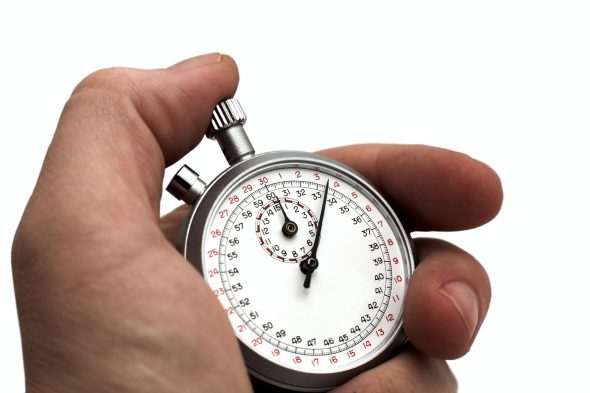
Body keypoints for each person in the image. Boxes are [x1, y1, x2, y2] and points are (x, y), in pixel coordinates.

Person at [12, 53, 502, 392]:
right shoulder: (139, 273)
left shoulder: (337, 219)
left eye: (306, 242)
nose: (305, 256)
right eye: (299, 242)